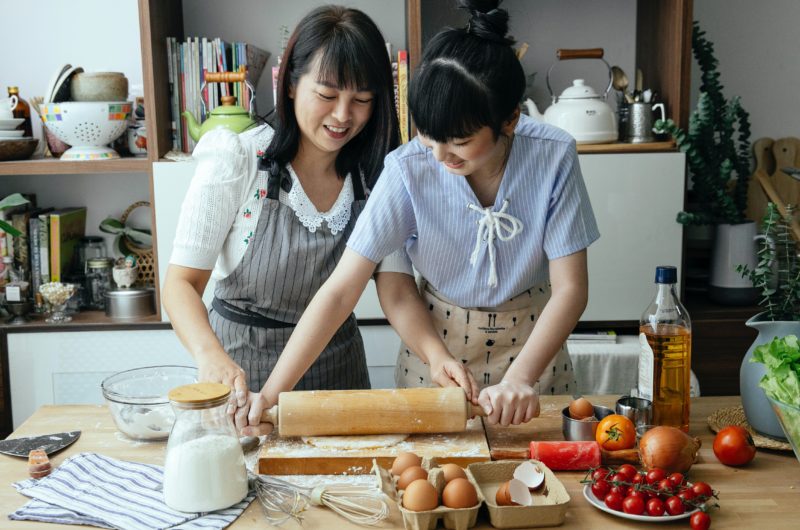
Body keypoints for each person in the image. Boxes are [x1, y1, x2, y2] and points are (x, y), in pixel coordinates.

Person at [241, 0, 601, 435]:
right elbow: (340, 291)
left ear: (509, 121)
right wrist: (272, 394)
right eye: (429, 135)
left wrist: (522, 378)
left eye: (460, 142)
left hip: (533, 353)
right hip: (436, 350)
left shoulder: (553, 154)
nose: (439, 155)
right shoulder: (407, 168)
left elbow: (571, 289)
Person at [162, 5, 400, 434]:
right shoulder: (238, 159)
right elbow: (180, 284)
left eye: (362, 100)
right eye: (327, 95)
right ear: (289, 84)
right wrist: (210, 356)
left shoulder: (375, 174)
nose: (344, 115)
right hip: (243, 384)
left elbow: (394, 287)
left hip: (338, 383)